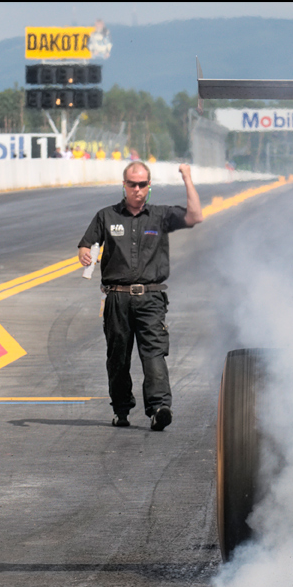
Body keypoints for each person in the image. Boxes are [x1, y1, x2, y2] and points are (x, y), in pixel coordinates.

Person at [77, 162, 204, 430]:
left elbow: (195, 216)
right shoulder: (106, 216)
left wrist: (187, 179)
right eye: (132, 184)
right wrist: (85, 252)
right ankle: (121, 409)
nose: (137, 189)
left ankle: (159, 408)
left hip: (151, 298)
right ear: (123, 185)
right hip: (117, 298)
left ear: (149, 186)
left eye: (142, 184)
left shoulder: (160, 215)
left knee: (154, 353)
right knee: (118, 357)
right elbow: (86, 244)